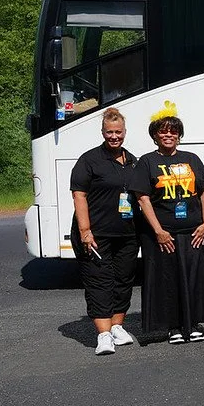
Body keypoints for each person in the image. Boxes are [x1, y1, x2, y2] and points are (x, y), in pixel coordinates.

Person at [132, 102, 204, 343]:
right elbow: (143, 198)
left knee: (193, 277)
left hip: (193, 231)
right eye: (163, 131)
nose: (168, 135)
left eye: (173, 131)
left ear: (179, 135)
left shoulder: (191, 158)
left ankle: (192, 324)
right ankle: (172, 327)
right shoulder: (147, 161)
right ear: (154, 135)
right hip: (163, 234)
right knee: (167, 279)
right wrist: (158, 231)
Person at [69, 108, 139, 355]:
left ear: (125, 132)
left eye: (118, 132)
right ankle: (103, 335)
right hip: (96, 234)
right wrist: (85, 231)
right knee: (99, 281)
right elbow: (79, 195)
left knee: (123, 280)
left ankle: (118, 326)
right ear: (102, 133)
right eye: (109, 132)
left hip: (128, 233)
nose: (114, 136)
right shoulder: (89, 160)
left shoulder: (132, 160)